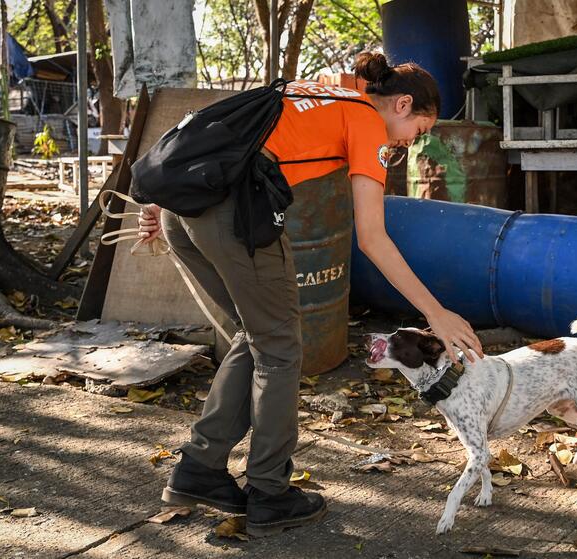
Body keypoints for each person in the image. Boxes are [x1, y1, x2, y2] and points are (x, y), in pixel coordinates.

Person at [137, 52, 483, 538]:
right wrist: (436, 313)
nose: (410, 143)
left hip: (187, 205)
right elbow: (372, 238)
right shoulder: (367, 120)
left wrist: (161, 200)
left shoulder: (329, 90)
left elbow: (227, 126)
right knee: (280, 348)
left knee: (256, 336)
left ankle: (200, 468)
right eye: (418, 131)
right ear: (402, 105)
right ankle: (270, 493)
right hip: (234, 213)